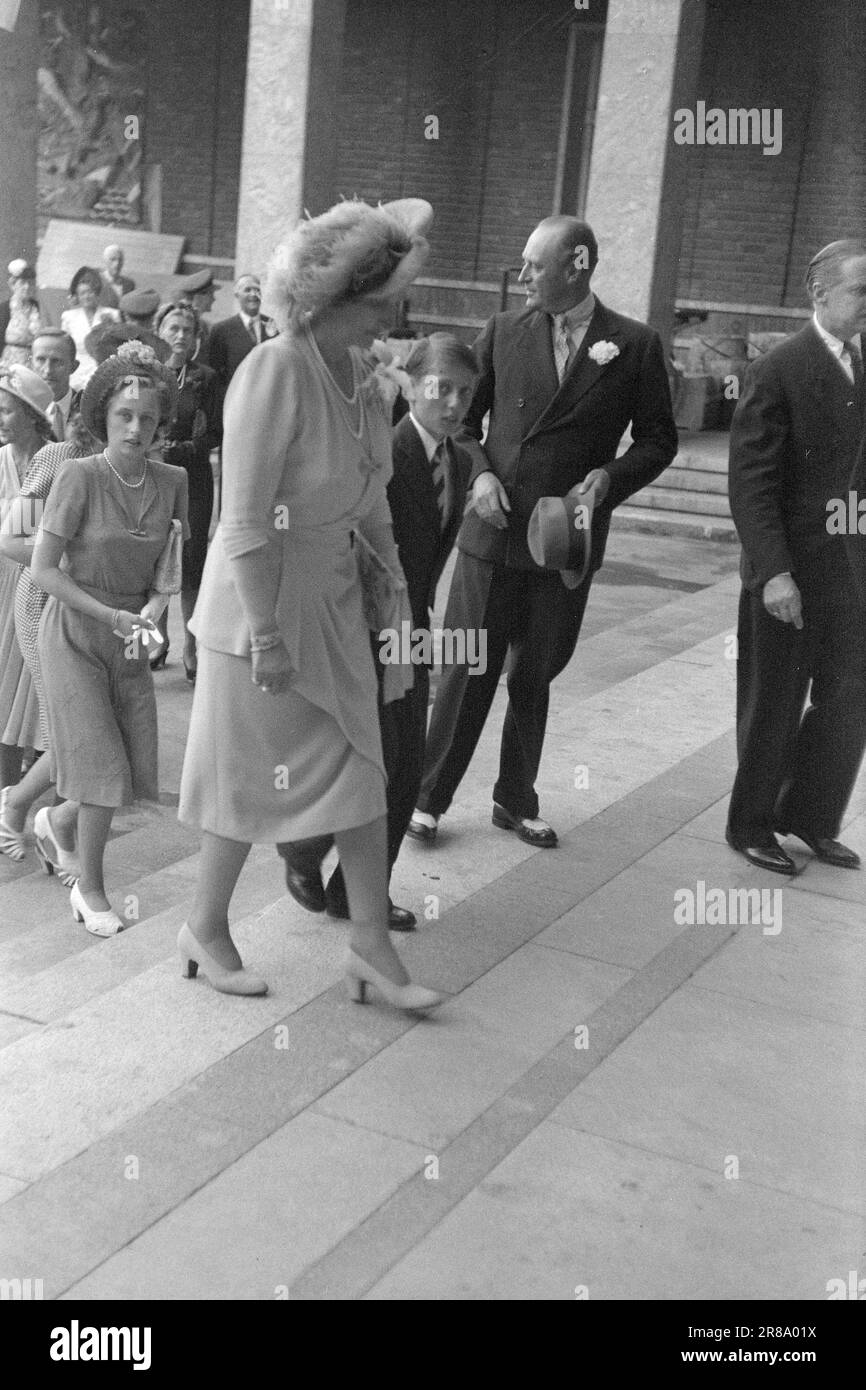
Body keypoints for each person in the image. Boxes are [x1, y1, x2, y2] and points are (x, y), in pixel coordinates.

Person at [177, 196, 444, 1010]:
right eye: (381, 303)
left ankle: (371, 946)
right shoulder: (273, 370)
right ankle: (205, 928)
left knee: (366, 770)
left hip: (332, 605)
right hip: (258, 612)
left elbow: (373, 504)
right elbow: (245, 522)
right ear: (335, 302)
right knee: (243, 783)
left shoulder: (362, 376)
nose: (393, 318)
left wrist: (394, 599)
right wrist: (264, 635)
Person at [407, 215, 678, 848]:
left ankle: (515, 799)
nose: (523, 275)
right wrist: (477, 479)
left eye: (535, 264)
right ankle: (426, 797)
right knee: (464, 668)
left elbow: (660, 438)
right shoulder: (503, 331)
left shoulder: (633, 344)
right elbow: (464, 422)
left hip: (567, 540)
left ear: (577, 264)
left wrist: (610, 479)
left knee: (536, 673)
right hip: (494, 532)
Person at [279, 332, 478, 929]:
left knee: (404, 764)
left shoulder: (460, 461)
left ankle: (356, 892)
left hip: (409, 632)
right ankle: (305, 849)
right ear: (412, 386)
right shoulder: (386, 452)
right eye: (441, 388)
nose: (453, 403)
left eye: (465, 393)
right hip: (363, 628)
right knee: (369, 759)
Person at [30, 343, 189, 935]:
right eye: (124, 416)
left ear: (160, 425)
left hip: (130, 633)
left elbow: (170, 569)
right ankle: (90, 889)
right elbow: (44, 569)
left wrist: (149, 612)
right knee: (100, 765)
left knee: (125, 768)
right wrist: (110, 615)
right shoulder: (77, 474)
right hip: (74, 629)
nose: (135, 428)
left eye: (148, 419)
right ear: (103, 417)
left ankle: (59, 823)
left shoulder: (173, 480)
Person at [726, 239, 866, 874]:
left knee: (850, 697)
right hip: (790, 572)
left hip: (852, 574)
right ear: (820, 293)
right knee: (774, 703)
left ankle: (809, 816)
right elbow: (751, 481)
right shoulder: (780, 367)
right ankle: (751, 825)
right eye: (860, 291)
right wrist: (774, 572)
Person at [0, 365, 54, 850]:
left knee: (28, 695)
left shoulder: (46, 465)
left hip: (29, 590)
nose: (0, 416)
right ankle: (7, 799)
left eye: (8, 408)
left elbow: (27, 541)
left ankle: (17, 802)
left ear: (34, 416)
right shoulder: (2, 461)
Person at [153, 299, 222, 677]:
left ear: (196, 337)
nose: (180, 336)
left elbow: (215, 432)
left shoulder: (205, 378)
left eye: (187, 330)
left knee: (191, 559)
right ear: (160, 331)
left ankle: (191, 646)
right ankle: (157, 639)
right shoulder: (146, 372)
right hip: (151, 476)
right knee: (152, 555)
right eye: (173, 328)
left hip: (192, 478)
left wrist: (184, 448)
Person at [208, 274, 276, 391]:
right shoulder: (221, 330)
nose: (253, 294)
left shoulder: (274, 325)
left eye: (257, 290)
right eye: (247, 290)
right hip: (236, 396)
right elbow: (216, 372)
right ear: (237, 294)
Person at [61, 267, 119, 390]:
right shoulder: (69, 317)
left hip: (103, 373)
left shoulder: (112, 315)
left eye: (90, 292)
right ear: (77, 296)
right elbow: (65, 348)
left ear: (97, 293)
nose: (87, 296)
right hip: (76, 375)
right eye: (82, 293)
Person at [0, 261, 43, 370]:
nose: (27, 287)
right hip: (8, 362)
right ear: (13, 285)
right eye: (22, 282)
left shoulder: (37, 308)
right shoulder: (4, 308)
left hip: (32, 362)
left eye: (31, 283)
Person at [179, 269, 217, 366]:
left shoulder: (203, 324)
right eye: (211, 294)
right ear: (199, 297)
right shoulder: (179, 320)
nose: (214, 299)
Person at [98, 245, 135, 309]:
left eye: (120, 260)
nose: (117, 263)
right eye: (113, 259)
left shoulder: (129, 284)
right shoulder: (97, 282)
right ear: (105, 261)